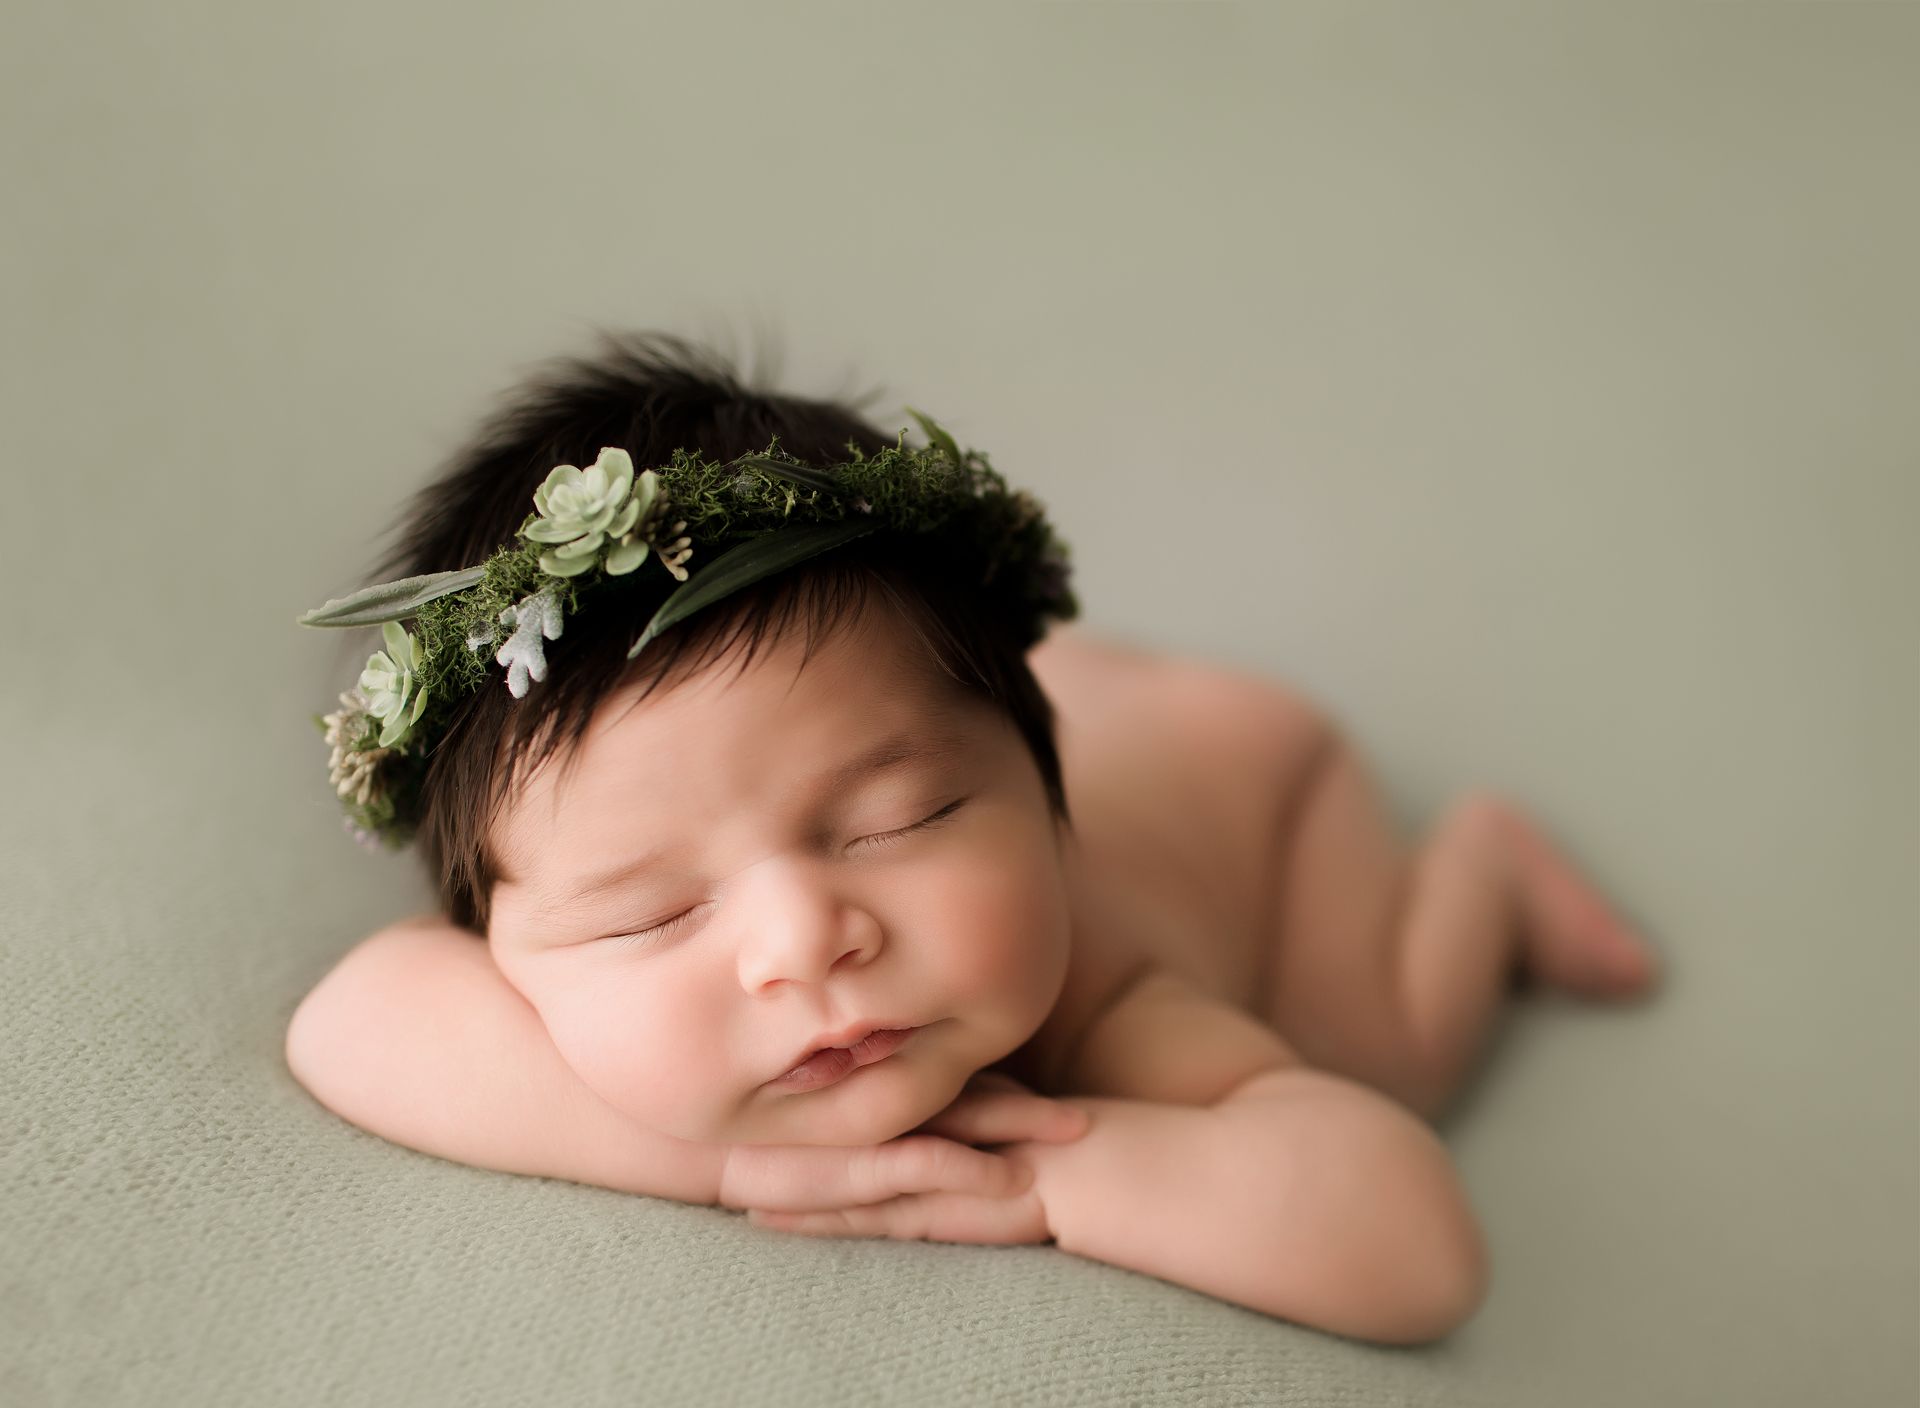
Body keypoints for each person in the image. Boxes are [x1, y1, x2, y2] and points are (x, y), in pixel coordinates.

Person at [285, 328, 1661, 1345]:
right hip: (1060, 706)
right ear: (502, 940)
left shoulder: (1108, 997)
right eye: (655, 913)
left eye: (904, 820)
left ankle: (1483, 867)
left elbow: (1416, 1248)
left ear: (1038, 804)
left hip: (1257, 781)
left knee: (1383, 1044)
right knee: (856, 716)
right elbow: (352, 1021)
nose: (807, 939)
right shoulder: (598, 885)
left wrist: (1062, 1174)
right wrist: (731, 1160)